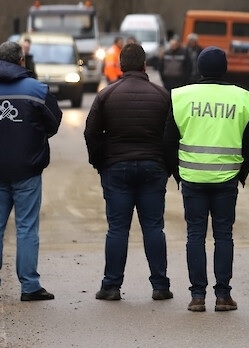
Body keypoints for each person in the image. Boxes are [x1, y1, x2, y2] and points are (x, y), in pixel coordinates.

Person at [0, 41, 62, 302]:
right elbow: (54, 123)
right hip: (27, 170)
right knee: (27, 228)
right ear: (22, 61)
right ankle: (29, 286)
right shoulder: (37, 90)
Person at [166, 46, 249, 312]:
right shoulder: (242, 98)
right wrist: (241, 173)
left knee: (195, 236)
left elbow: (168, 139)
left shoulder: (181, 96)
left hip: (192, 178)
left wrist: (177, 172)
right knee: (224, 235)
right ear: (225, 68)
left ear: (199, 68)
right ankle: (222, 295)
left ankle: (197, 296)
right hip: (226, 178)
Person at [84, 43, 174, 302]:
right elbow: (171, 136)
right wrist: (167, 165)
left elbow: (91, 133)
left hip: (116, 168)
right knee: (154, 228)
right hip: (152, 167)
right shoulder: (162, 95)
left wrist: (99, 162)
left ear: (121, 66)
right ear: (145, 65)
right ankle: (160, 285)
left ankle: (111, 286)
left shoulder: (106, 95)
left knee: (117, 229)